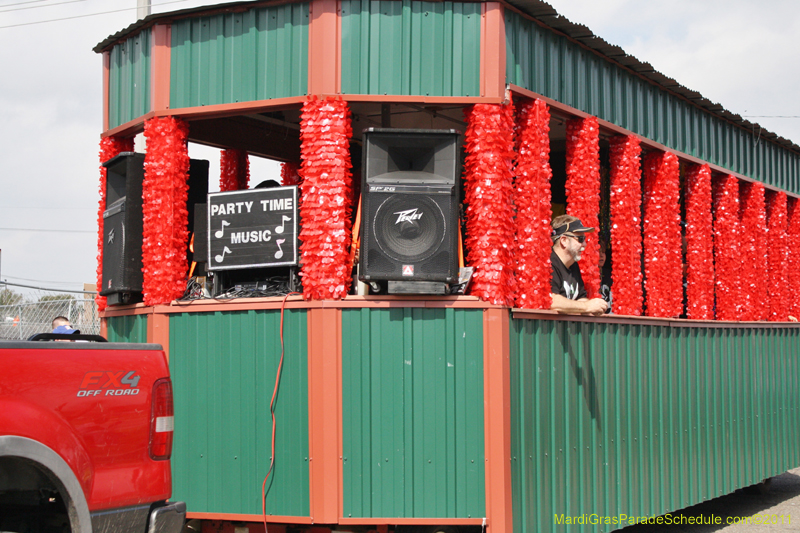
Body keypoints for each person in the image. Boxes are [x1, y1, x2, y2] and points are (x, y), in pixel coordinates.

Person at [549, 215, 608, 315]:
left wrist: (595, 307)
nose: (584, 244)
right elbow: (551, 300)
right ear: (564, 240)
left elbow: (580, 298)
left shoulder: (573, 265)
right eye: (580, 239)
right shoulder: (549, 263)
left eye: (584, 239)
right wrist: (586, 307)